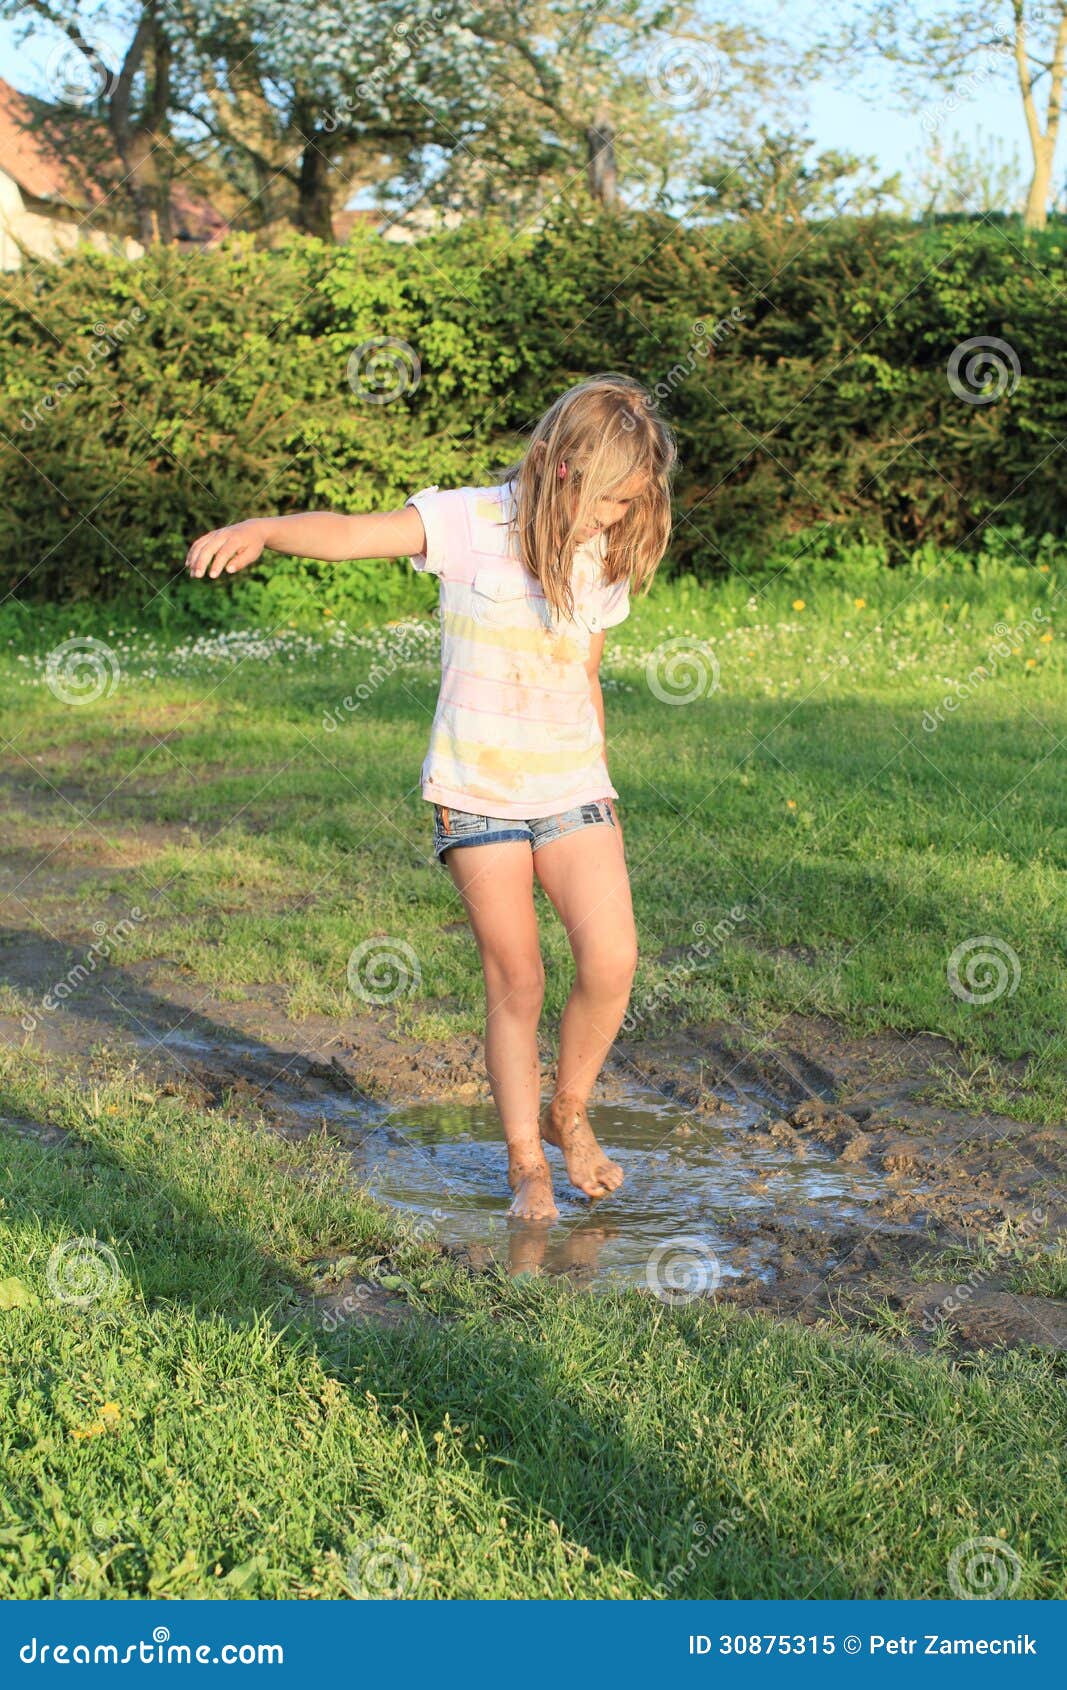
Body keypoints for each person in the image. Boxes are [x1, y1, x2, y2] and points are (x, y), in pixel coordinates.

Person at [186, 372, 678, 1222]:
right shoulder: (468, 521)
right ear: (564, 469)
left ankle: (570, 1111)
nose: (617, 519)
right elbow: (348, 534)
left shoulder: (602, 551)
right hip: (477, 792)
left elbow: (586, 672)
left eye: (633, 503)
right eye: (611, 501)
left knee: (612, 961)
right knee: (516, 978)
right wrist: (262, 528)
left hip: (571, 784)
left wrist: (601, 781)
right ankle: (526, 1158)